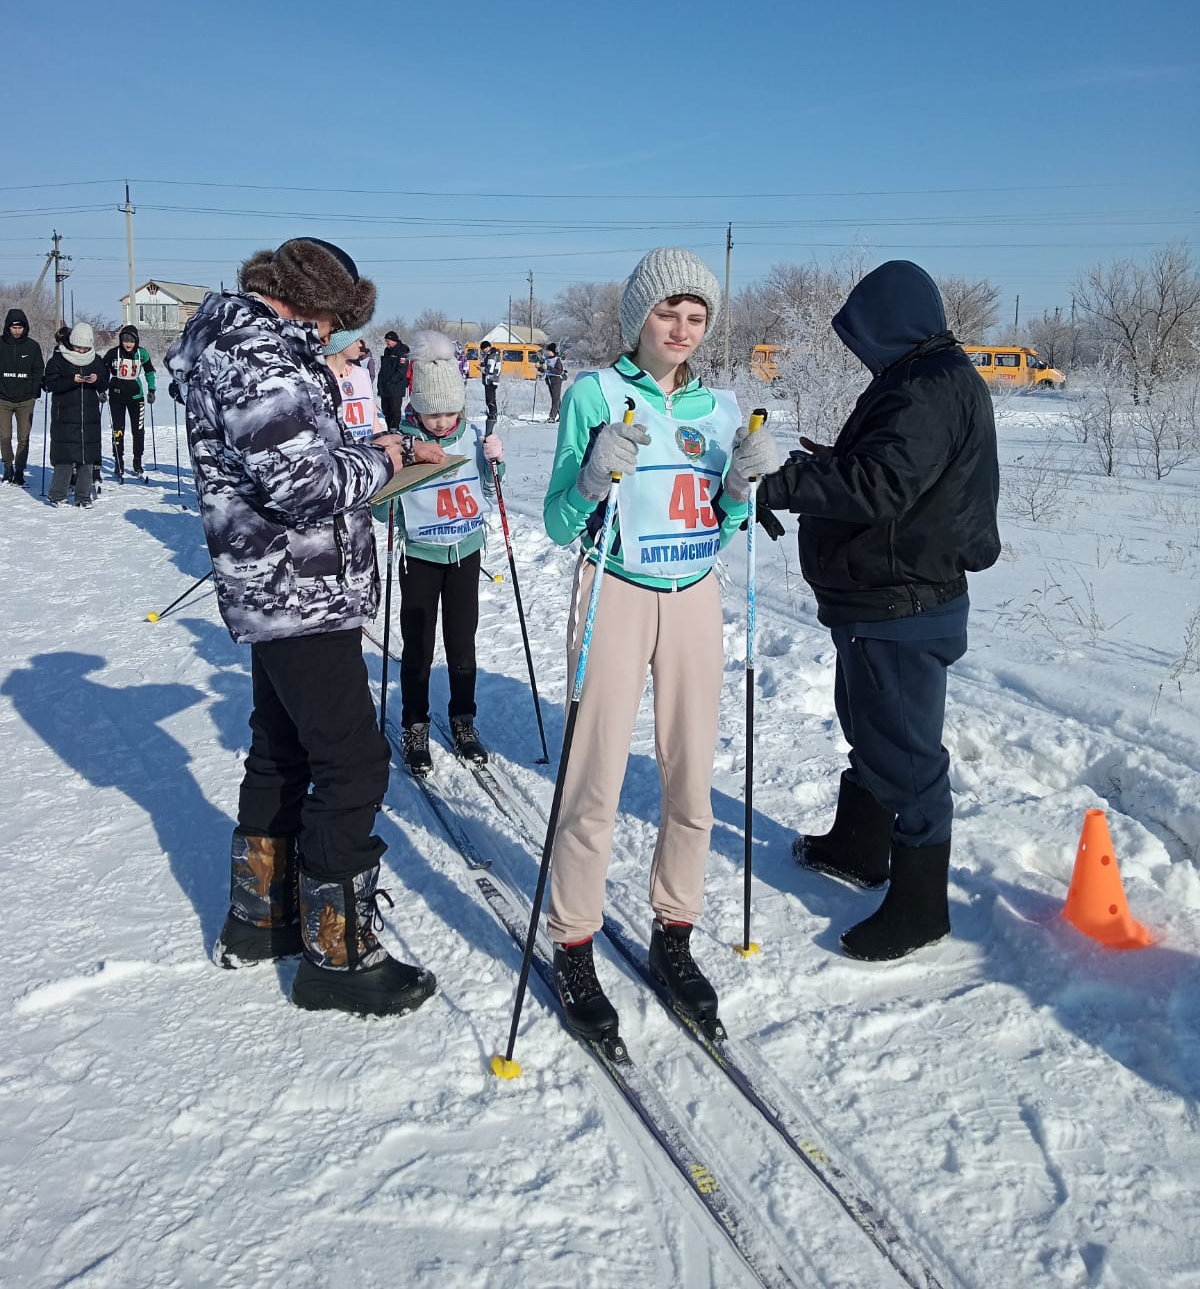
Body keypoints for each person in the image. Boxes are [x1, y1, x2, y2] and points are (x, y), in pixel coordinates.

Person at [166, 237, 444, 1019]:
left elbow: (295, 453)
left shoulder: (249, 343)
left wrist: (371, 448)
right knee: (353, 762)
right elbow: (303, 482)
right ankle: (339, 953)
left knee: (281, 748)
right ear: (306, 302)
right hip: (297, 587)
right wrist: (386, 461)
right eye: (329, 320)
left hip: (286, 583)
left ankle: (261, 920)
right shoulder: (254, 352)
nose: (328, 335)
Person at [542, 248, 779, 1042]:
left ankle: (673, 929)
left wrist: (742, 486)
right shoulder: (595, 394)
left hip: (693, 596)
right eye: (666, 313)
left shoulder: (720, 406)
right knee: (596, 776)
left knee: (691, 778)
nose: (680, 329)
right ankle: (574, 938)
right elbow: (555, 522)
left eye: (695, 316)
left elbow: (725, 520)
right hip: (613, 588)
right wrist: (590, 478)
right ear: (636, 316)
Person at [755, 260, 1000, 962]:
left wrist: (785, 482)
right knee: (869, 721)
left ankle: (921, 906)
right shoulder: (923, 376)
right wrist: (835, 459)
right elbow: (901, 473)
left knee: (907, 751)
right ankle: (860, 845)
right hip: (886, 594)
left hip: (904, 600)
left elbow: (884, 485)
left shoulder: (928, 388)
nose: (859, 349)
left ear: (895, 322)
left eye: (865, 333)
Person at [385, 331, 505, 775]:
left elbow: (492, 490)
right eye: (432, 412)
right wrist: (394, 472)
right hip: (419, 555)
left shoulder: (472, 436)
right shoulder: (403, 443)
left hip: (466, 553)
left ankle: (463, 719)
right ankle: (414, 724)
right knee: (418, 645)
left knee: (462, 642)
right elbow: (382, 514)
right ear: (415, 405)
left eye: (449, 411)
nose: (440, 421)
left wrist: (495, 461)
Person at [43, 323, 109, 506]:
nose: (81, 350)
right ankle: (57, 494)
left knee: (87, 457)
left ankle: (83, 496)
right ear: (71, 343)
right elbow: (49, 384)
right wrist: (71, 381)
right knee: (64, 457)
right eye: (78, 346)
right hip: (64, 416)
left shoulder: (96, 360)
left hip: (88, 417)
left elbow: (105, 383)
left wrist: (97, 380)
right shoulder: (58, 360)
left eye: (85, 347)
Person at [101, 324, 157, 481]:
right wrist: (102, 390)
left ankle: (137, 462)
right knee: (118, 430)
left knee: (138, 430)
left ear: (136, 341)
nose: (128, 344)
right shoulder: (113, 353)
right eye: (125, 340)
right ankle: (118, 462)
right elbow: (103, 373)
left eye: (131, 340)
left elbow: (150, 372)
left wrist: (151, 390)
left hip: (136, 397)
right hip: (116, 396)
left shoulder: (142, 354)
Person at [0, 308, 44, 487]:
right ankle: (8, 466)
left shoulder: (32, 346)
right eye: (13, 327)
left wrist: (33, 390)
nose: (17, 330)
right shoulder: (1, 344)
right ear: (7, 327)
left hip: (25, 400)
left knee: (23, 437)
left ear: (25, 327)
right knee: (4, 436)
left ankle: (19, 470)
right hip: (3, 399)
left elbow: (38, 370)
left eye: (20, 327)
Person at [324, 328, 378, 441]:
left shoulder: (363, 374)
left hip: (367, 450)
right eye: (356, 340)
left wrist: (381, 444)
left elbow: (373, 418)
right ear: (339, 343)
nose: (360, 345)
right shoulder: (319, 378)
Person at [378, 331, 410, 430]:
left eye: (388, 341)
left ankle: (395, 428)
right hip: (385, 387)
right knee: (386, 409)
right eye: (386, 341)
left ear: (394, 340)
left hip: (396, 387)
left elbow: (401, 370)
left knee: (394, 409)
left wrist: (392, 380)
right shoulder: (387, 351)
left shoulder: (402, 351)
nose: (387, 343)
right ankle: (388, 428)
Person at [479, 338, 502, 428]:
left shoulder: (492, 355)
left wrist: (481, 368)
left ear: (487, 347)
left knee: (490, 399)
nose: (483, 351)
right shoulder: (494, 354)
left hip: (490, 380)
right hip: (493, 380)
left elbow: (490, 370)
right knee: (491, 399)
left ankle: (493, 417)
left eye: (484, 349)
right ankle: (493, 415)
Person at [543, 342, 567, 423]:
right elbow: (545, 369)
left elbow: (558, 371)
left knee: (555, 399)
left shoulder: (557, 360)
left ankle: (552, 416)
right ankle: (563, 415)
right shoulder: (547, 359)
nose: (547, 352)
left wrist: (548, 367)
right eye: (547, 351)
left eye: (548, 351)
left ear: (552, 351)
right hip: (549, 379)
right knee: (556, 399)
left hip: (556, 380)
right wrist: (539, 368)